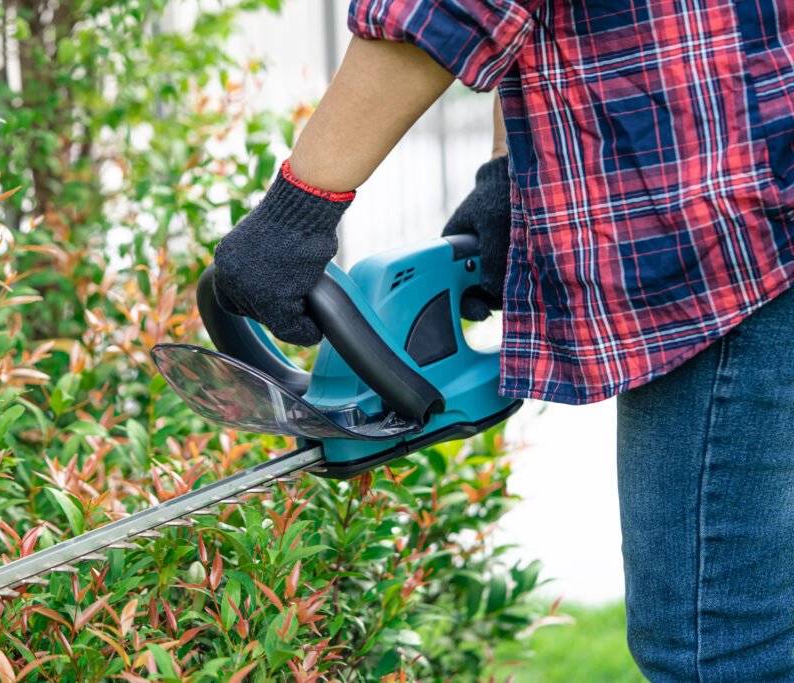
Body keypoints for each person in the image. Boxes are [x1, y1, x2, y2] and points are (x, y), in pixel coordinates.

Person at [211, 1, 794, 681]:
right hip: (759, 177)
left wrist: (300, 208)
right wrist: (510, 173)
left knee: (714, 647)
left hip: (728, 232)